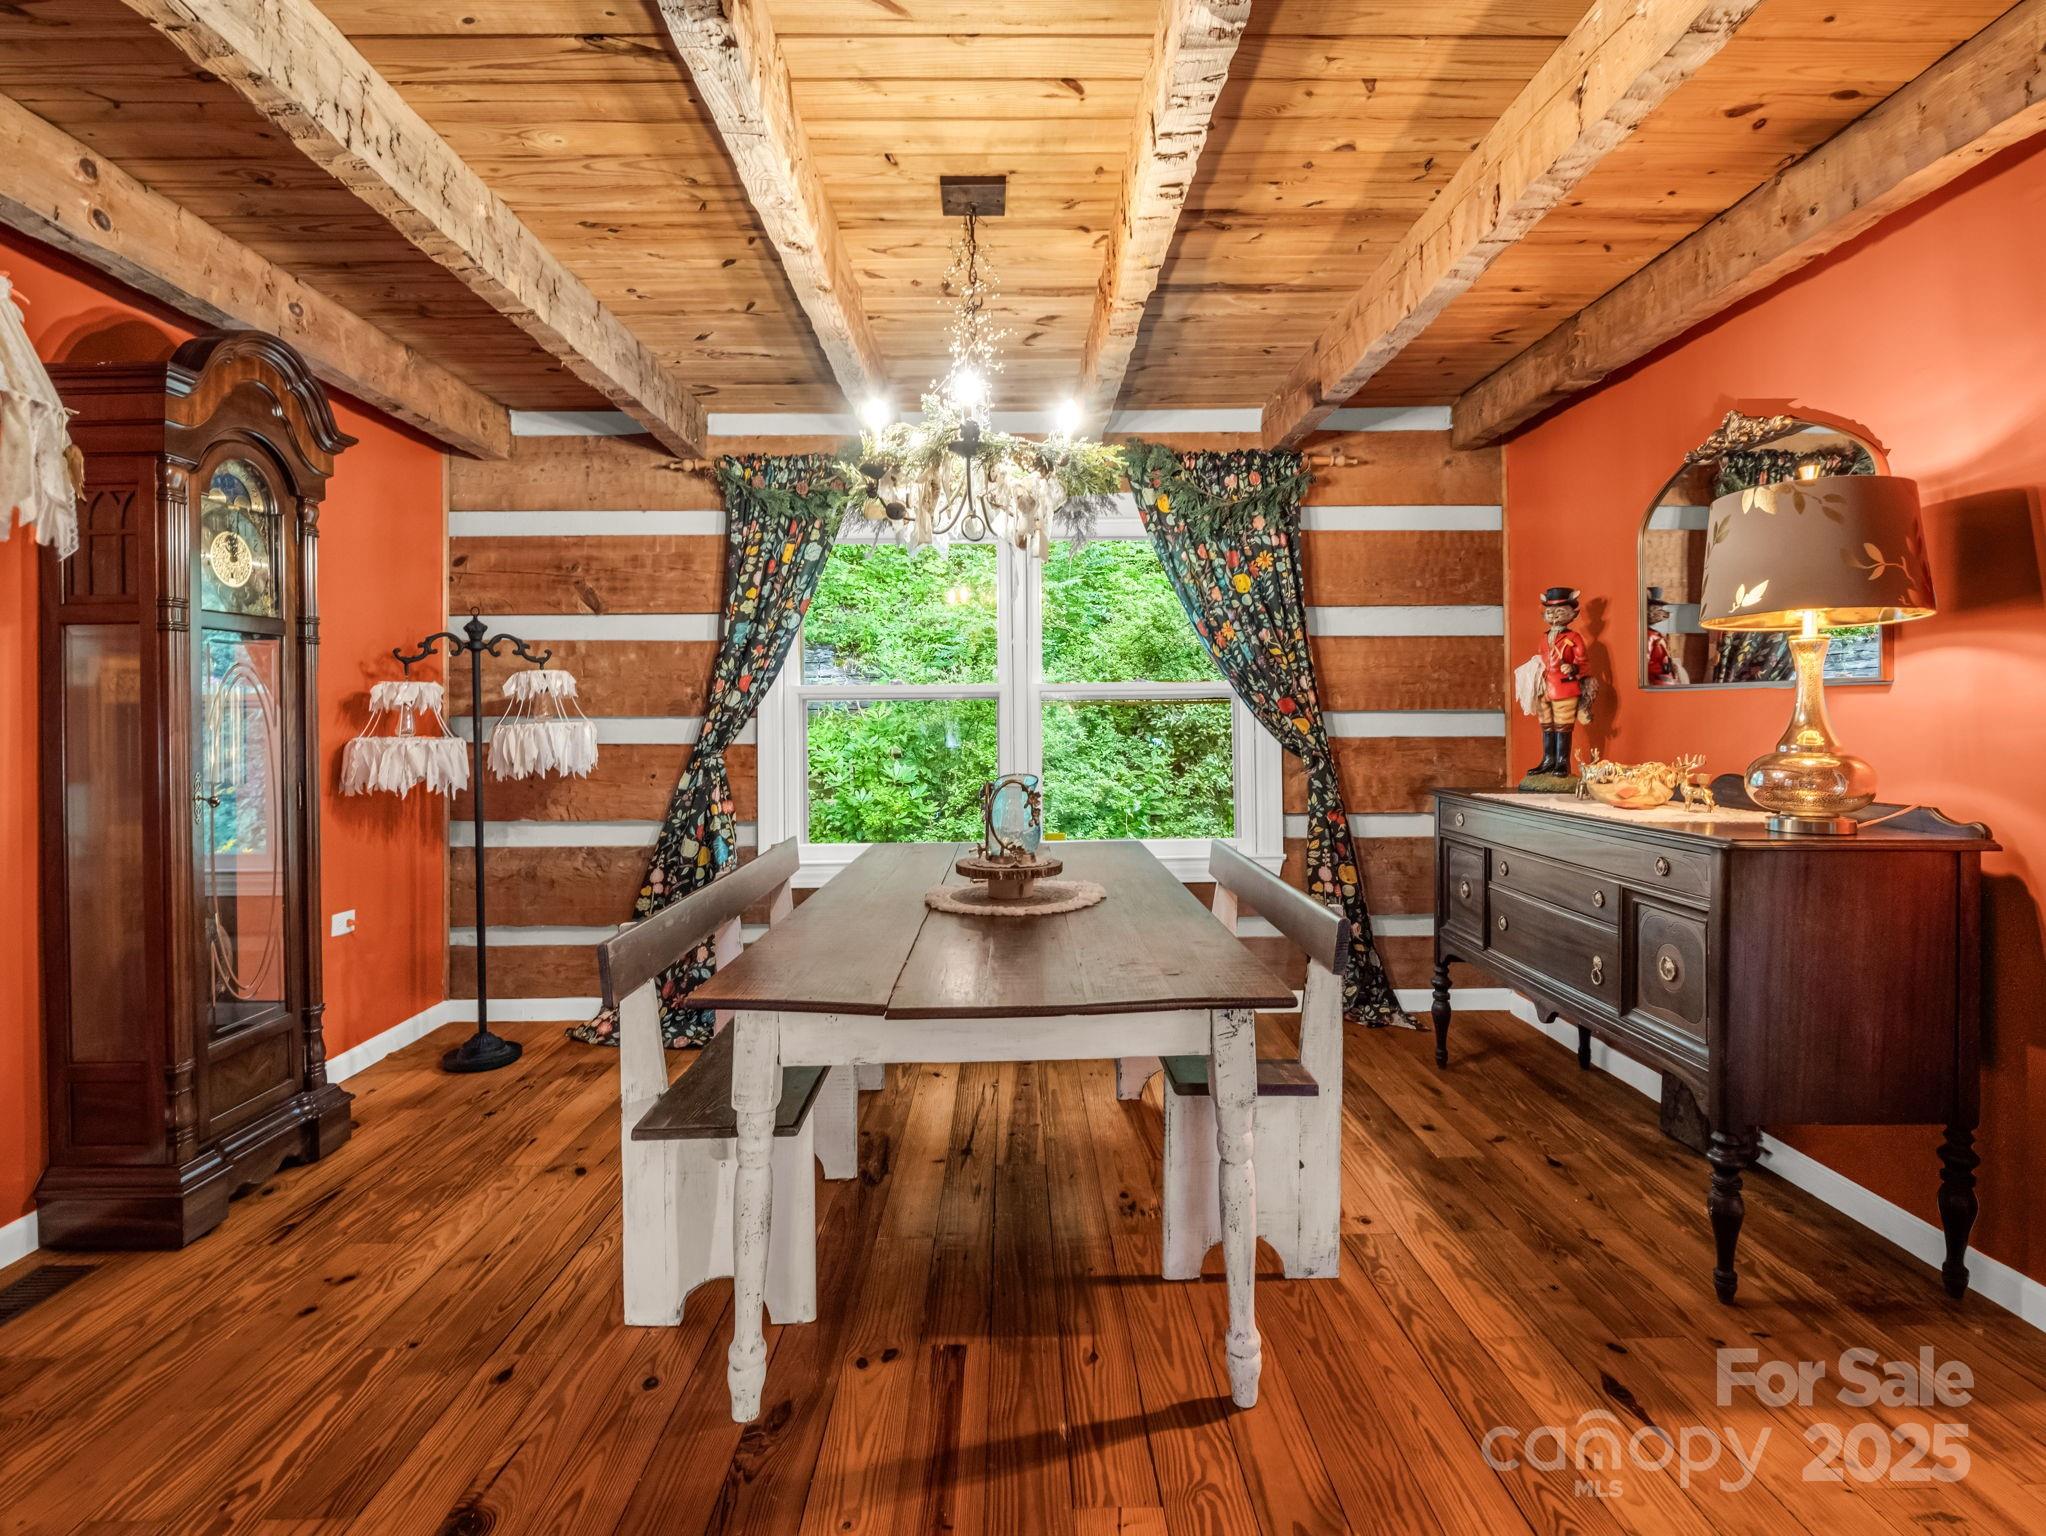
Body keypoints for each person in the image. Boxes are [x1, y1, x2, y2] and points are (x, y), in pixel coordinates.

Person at [1645, 585, 1687, 687]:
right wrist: (1663, 668)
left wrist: (1671, 667)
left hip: (1667, 682)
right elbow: (1644, 663)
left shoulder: (1660, 635)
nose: (1659, 615)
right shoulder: (1649, 636)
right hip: (1656, 682)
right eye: (1655, 611)